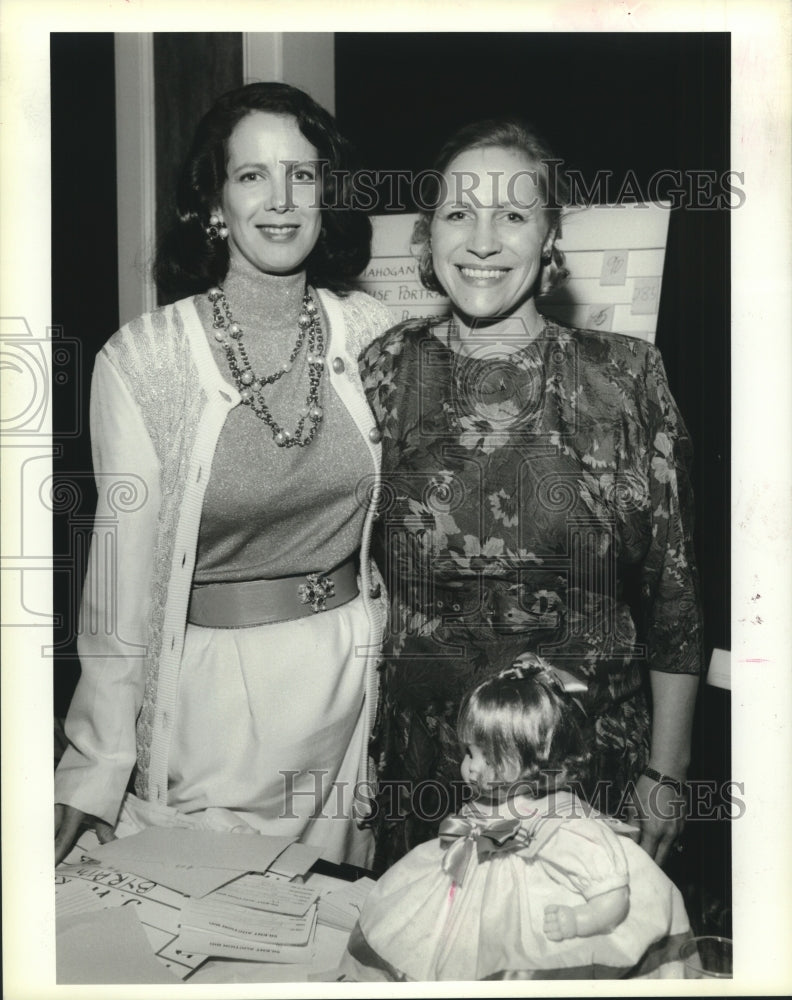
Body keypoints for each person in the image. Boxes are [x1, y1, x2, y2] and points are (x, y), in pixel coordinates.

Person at [54, 82, 393, 867]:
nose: (279, 200)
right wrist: (96, 762)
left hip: (352, 689)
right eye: (251, 176)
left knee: (331, 943)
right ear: (214, 204)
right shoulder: (143, 360)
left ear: (325, 194)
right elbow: (119, 584)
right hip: (215, 704)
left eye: (302, 175)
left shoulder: (378, 334)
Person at [359, 118, 703, 872]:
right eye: (458, 214)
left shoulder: (625, 379)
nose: (483, 241)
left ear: (549, 239)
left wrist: (668, 773)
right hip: (429, 782)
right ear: (427, 239)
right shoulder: (383, 372)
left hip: (589, 781)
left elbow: (673, 597)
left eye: (513, 215)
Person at [339, 660, 692, 981]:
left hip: (524, 915)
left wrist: (579, 919)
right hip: (467, 909)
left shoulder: (558, 818)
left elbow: (610, 891)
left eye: (487, 756)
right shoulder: (486, 802)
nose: (472, 767)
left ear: (533, 760)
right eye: (468, 753)